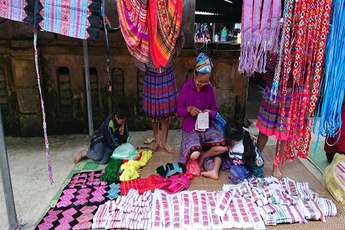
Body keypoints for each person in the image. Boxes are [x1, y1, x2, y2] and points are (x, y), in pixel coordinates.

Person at [177, 52, 227, 180]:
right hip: (191, 126)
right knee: (194, 154)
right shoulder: (186, 88)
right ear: (195, 74)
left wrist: (209, 112)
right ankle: (199, 156)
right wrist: (189, 110)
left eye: (206, 83)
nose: (203, 86)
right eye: (200, 82)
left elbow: (215, 111)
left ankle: (205, 158)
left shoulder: (209, 88)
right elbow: (179, 111)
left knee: (223, 146)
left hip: (207, 124)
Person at [141, 33, 184, 153]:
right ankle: (157, 140)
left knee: (166, 112)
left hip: (166, 70)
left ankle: (164, 142)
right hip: (151, 72)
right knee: (153, 113)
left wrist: (174, 49)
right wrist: (142, 63)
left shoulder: (169, 25)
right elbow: (136, 42)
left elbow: (180, 37)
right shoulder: (146, 27)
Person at [256, 52, 291, 178]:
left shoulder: (301, 40)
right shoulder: (276, 39)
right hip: (272, 90)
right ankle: (256, 157)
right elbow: (266, 65)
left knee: (283, 134)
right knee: (264, 130)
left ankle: (276, 167)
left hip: (290, 91)